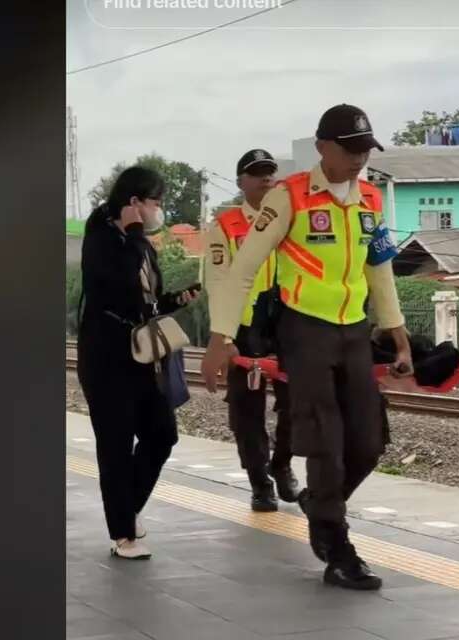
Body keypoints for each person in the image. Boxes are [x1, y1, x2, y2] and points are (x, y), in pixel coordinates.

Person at [201, 104, 413, 591]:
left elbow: (378, 267)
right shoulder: (289, 197)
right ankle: (337, 548)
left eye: (366, 149)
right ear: (323, 148)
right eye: (351, 148)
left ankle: (321, 506)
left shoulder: (370, 201)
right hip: (304, 329)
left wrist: (396, 329)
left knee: (369, 441)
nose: (361, 158)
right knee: (323, 437)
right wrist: (220, 338)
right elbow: (243, 269)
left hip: (355, 329)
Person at [77, 167, 199, 560]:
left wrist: (174, 301)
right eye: (156, 203)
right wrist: (131, 235)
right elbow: (119, 285)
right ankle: (123, 534)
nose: (159, 210)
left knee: (162, 434)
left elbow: (146, 300)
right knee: (114, 444)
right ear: (134, 203)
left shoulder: (141, 244)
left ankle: (126, 508)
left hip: (143, 356)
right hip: (107, 356)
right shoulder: (100, 241)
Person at [204, 149, 299, 511]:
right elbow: (218, 283)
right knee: (247, 412)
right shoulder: (226, 227)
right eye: (257, 173)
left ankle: (283, 463)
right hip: (244, 331)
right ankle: (260, 481)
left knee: (296, 404)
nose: (265, 179)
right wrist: (222, 337)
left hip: (288, 325)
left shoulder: (290, 219)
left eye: (270, 172)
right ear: (241, 181)